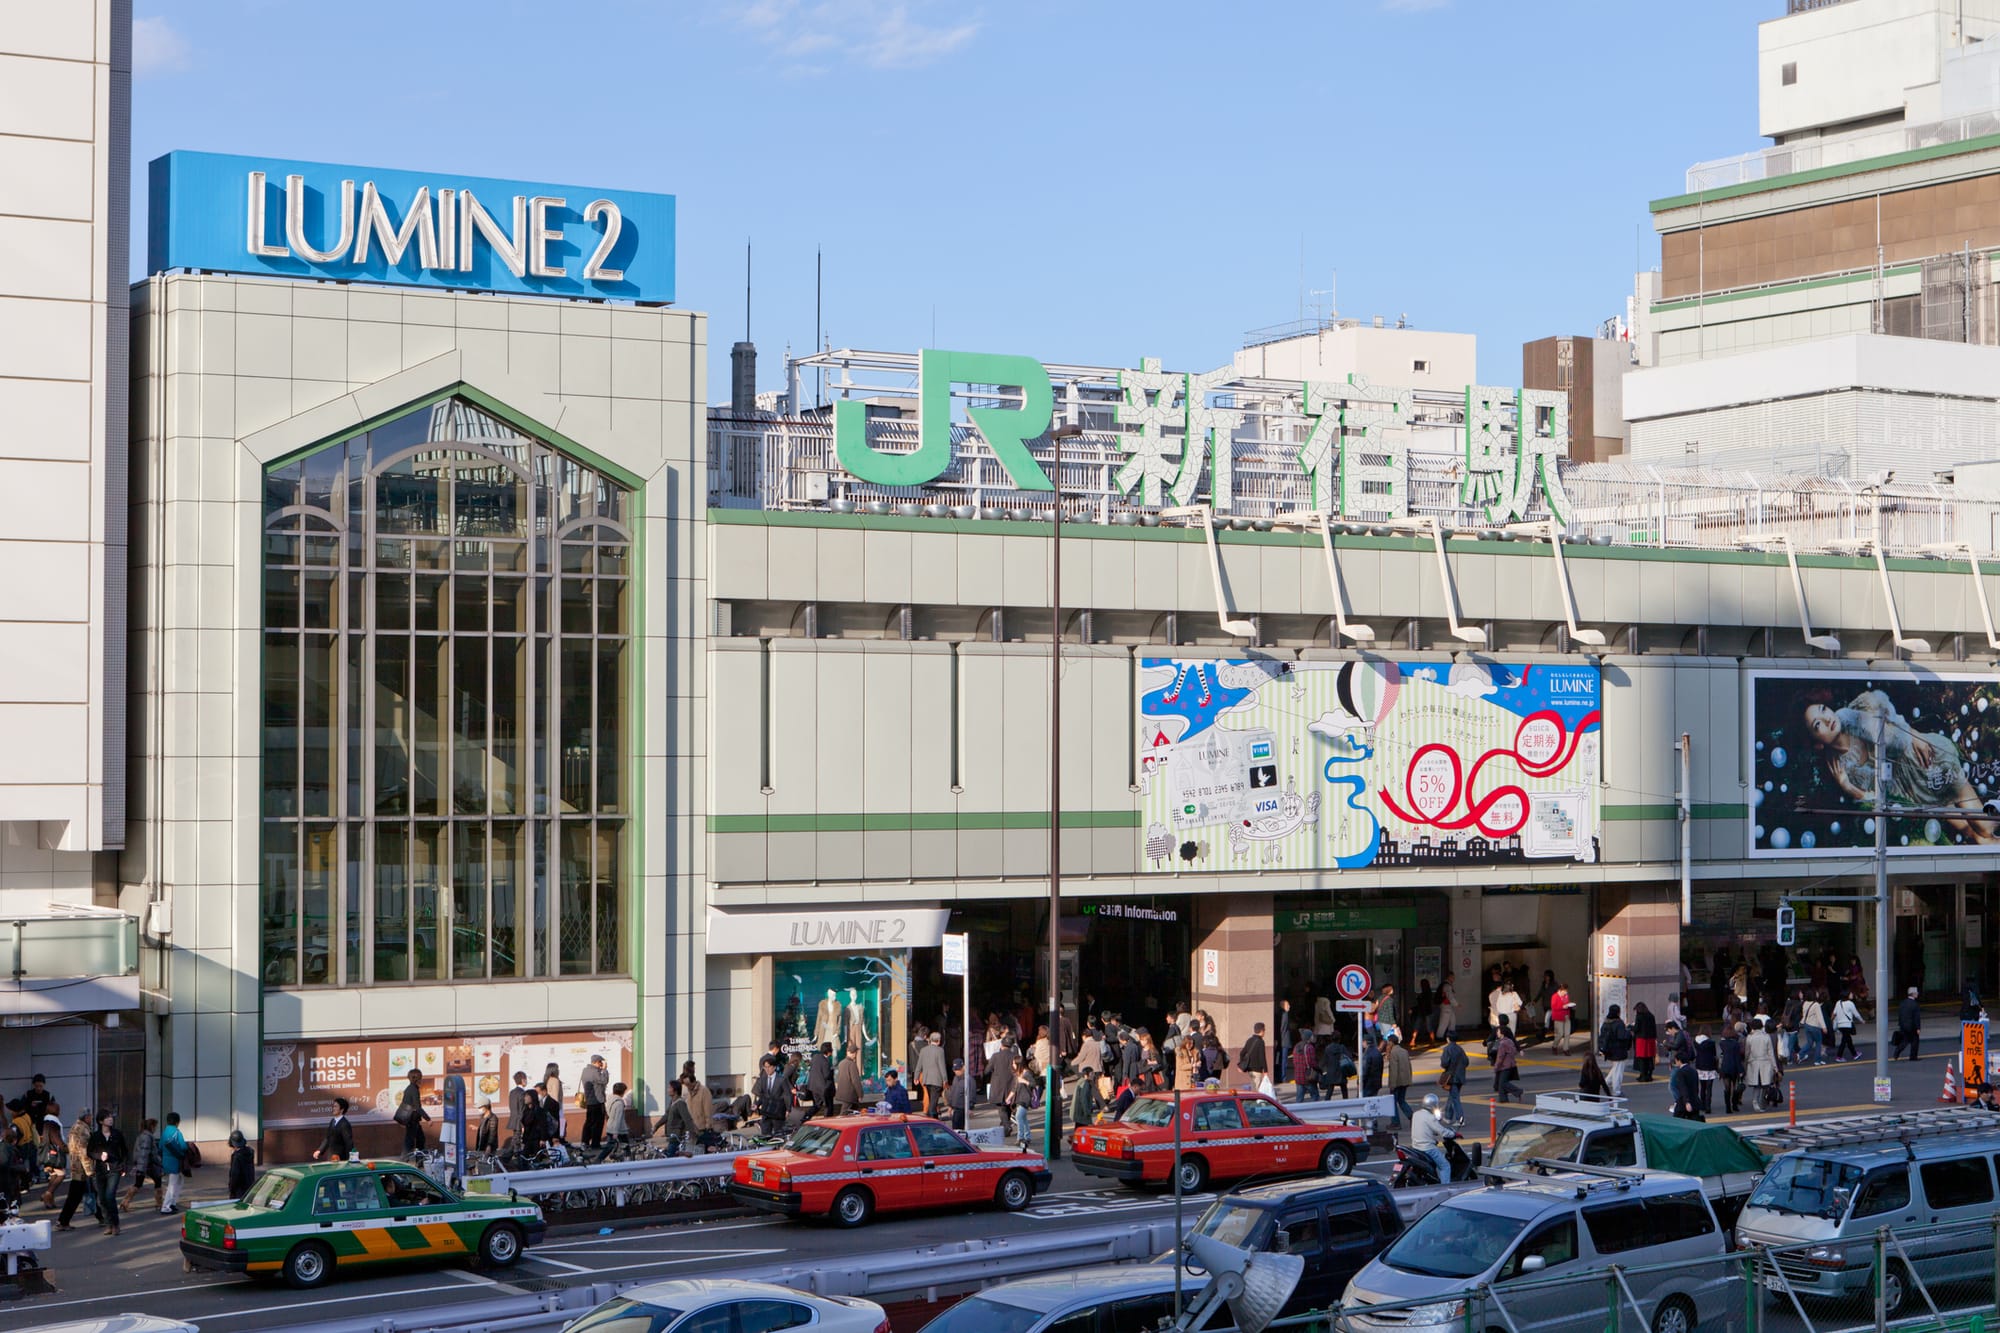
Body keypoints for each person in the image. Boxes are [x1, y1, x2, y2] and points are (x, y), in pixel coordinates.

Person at [1805, 688, 1999, 843]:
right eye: (1817, 725)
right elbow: (1878, 801)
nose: (1826, 718)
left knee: (1986, 828)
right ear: (1817, 743)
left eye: (1823, 709)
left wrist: (1914, 735)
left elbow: (1891, 716)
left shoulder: (1853, 713)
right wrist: (1847, 787)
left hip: (1923, 760)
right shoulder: (1842, 769)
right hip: (1914, 792)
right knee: (1973, 835)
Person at [56, 1109, 96, 1230]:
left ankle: (63, 1221)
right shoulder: (83, 1130)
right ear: (86, 1117)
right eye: (90, 1116)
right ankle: (63, 1221)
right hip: (82, 1168)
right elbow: (83, 1150)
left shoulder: (75, 1127)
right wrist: (89, 1169)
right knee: (78, 1195)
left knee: (78, 1195)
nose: (91, 1119)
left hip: (75, 1166)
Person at [87, 1110, 125, 1233]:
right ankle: (108, 1224)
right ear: (101, 1121)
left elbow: (124, 1151)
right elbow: (89, 1152)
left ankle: (115, 1224)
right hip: (100, 1170)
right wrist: (99, 1156)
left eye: (111, 1117)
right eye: (107, 1118)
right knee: (102, 1199)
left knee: (110, 1196)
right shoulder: (95, 1136)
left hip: (114, 1169)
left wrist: (122, 1166)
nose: (110, 1119)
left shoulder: (117, 1134)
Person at [121, 1116, 161, 1211]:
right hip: (147, 1164)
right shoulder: (147, 1137)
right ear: (151, 1126)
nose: (156, 1129)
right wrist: (157, 1162)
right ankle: (159, 1203)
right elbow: (145, 1152)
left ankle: (125, 1202)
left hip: (144, 1164)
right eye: (155, 1127)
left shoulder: (142, 1135)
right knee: (155, 1181)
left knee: (139, 1184)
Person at [1410, 1093, 1453, 1180]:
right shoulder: (1430, 1117)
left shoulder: (1416, 1114)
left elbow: (1424, 1127)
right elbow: (1443, 1132)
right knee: (1445, 1166)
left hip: (1415, 1147)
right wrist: (1454, 1134)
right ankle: (1444, 1187)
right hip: (1427, 1148)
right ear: (1434, 1105)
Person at [1598, 1004, 1633, 1097]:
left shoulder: (1606, 1022)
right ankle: (1616, 1091)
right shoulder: (1619, 1023)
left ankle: (1605, 1083)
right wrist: (1629, 1031)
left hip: (1609, 1050)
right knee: (1618, 1071)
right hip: (1619, 1050)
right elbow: (1622, 1036)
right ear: (1618, 1012)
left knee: (1616, 1068)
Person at [1745, 1018, 1779, 1109]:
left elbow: (1747, 1053)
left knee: (1757, 1085)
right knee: (1765, 1083)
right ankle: (1762, 1101)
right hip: (1765, 1063)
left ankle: (1755, 1101)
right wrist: (1775, 1068)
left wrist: (1745, 1064)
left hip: (1754, 1063)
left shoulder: (1750, 1037)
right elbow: (1771, 1053)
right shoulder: (1766, 1036)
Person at [916, 1030, 950, 1117]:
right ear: (938, 1041)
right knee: (933, 1103)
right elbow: (942, 1066)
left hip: (926, 1079)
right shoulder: (940, 1051)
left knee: (932, 1100)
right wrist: (945, 1079)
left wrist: (916, 1077)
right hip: (936, 1080)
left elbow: (919, 1065)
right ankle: (931, 1118)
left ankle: (934, 1117)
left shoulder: (923, 1050)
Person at [578, 1054, 610, 1148]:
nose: (601, 1064)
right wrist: (604, 1070)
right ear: (596, 1062)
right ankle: (595, 1143)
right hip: (598, 1101)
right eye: (600, 1062)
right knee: (598, 1123)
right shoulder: (595, 1072)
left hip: (589, 1101)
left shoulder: (585, 1070)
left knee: (589, 1122)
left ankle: (585, 1141)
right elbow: (604, 1081)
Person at [1438, 1031, 1468, 1125]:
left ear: (1448, 1038)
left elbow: (1444, 1063)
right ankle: (1448, 1116)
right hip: (1460, 1076)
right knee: (1452, 1097)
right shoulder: (1460, 1049)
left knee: (1455, 1098)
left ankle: (1460, 1119)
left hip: (1452, 1077)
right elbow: (1466, 1062)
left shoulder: (1447, 1049)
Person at [398, 1069, 430, 1153]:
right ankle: (406, 1160)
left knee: (420, 1139)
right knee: (410, 1142)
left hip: (411, 1119)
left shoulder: (409, 1088)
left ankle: (419, 1159)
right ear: (418, 1079)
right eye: (421, 1078)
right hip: (412, 1119)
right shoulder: (414, 1090)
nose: (421, 1080)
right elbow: (418, 1107)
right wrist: (428, 1119)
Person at [1385, 1033, 1414, 1126]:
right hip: (1405, 1080)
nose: (1387, 1044)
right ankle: (1411, 1116)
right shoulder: (1404, 1051)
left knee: (1393, 1102)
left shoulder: (1393, 1053)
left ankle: (1395, 1122)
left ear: (1391, 1042)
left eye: (1388, 1042)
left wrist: (1392, 1084)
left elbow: (1394, 1070)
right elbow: (1409, 1066)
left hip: (1397, 1082)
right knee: (1401, 1100)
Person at [314, 1096, 354, 1161]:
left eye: (336, 1106)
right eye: (333, 1106)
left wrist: (349, 1159)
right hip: (331, 1157)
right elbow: (328, 1138)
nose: (333, 1108)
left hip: (341, 1159)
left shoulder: (344, 1124)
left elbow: (348, 1143)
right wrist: (319, 1150)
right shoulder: (332, 1121)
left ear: (342, 1109)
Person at [1669, 1050, 1703, 1121]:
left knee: (1677, 1121)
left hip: (1683, 1103)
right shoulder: (1693, 1071)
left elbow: (1683, 1088)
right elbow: (1696, 1087)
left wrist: (1687, 1102)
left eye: (1676, 1061)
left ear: (1679, 1061)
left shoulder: (1680, 1072)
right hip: (1695, 1101)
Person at [1492, 1023, 1522, 1103]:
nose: (1497, 1033)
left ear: (1502, 1033)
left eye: (1498, 1031)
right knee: (1502, 1083)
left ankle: (1518, 1091)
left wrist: (1496, 1067)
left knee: (1503, 1083)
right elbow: (1514, 1051)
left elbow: (1500, 1057)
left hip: (1504, 1066)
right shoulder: (1509, 1041)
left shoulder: (1502, 1044)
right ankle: (1503, 1099)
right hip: (1511, 1065)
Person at [1320, 1032, 1354, 1101]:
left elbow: (1324, 1061)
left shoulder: (1328, 1049)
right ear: (1339, 1039)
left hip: (1331, 1072)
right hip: (1341, 1072)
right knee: (1344, 1091)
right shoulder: (1342, 1048)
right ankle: (1346, 1105)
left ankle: (1325, 1105)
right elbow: (1349, 1057)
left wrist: (1321, 1069)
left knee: (1329, 1092)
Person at [1894, 986, 1923, 1061]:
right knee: (1915, 1042)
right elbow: (1916, 1017)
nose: (1917, 994)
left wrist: (1900, 1024)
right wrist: (1918, 1028)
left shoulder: (1903, 1003)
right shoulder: (1915, 1004)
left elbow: (1900, 1014)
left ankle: (1897, 1052)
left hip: (1903, 1025)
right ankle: (1913, 1056)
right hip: (1912, 1026)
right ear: (1913, 994)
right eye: (1916, 993)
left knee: (1905, 1040)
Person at [1693, 1028, 1718, 1114]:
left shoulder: (1695, 1041)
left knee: (1702, 1087)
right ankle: (1708, 1106)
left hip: (1700, 1065)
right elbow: (1714, 1054)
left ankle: (1702, 1105)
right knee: (1709, 1088)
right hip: (1710, 1065)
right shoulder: (1711, 1042)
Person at [1631, 1002, 1658, 1081]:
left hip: (1641, 1040)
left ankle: (1642, 1075)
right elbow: (1654, 1028)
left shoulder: (1639, 1016)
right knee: (1650, 1058)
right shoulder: (1651, 1016)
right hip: (1651, 1039)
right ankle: (1649, 1075)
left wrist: (1630, 1026)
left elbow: (1636, 1028)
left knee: (1642, 1058)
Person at [1832, 991, 1862, 1062]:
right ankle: (1839, 1056)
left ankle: (1854, 1054)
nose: (1852, 995)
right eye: (1851, 994)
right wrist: (1862, 1020)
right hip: (1847, 1025)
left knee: (1848, 1040)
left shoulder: (1838, 1002)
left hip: (1840, 1025)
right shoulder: (1850, 1003)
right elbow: (1856, 1014)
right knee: (1844, 1041)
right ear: (1847, 995)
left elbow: (1834, 1013)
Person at [807, 1042, 835, 1118]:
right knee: (828, 1106)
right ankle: (827, 1121)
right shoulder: (826, 1062)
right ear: (829, 1052)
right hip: (822, 1088)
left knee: (817, 1105)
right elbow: (826, 1075)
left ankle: (806, 1116)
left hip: (813, 1087)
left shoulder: (815, 1057)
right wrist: (832, 1071)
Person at [225, 1128, 254, 1200]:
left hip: (239, 1190)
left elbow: (235, 1175)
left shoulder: (237, 1157)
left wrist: (232, 1190)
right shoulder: (249, 1152)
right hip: (249, 1187)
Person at [1290, 1032, 1319, 1102]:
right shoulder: (1309, 1047)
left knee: (1299, 1098)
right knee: (1315, 1096)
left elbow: (1294, 1061)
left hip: (1298, 1076)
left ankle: (1297, 1112)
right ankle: (1313, 1112)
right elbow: (1312, 1062)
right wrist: (1319, 1069)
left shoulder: (1296, 1046)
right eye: (1312, 1036)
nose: (1313, 1037)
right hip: (1308, 1076)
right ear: (1309, 1037)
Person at [1238, 1022, 1269, 1087]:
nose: (1265, 1032)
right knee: (1256, 1090)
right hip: (1257, 1070)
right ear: (1262, 1031)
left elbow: (1242, 1053)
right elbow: (1262, 1057)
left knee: (1253, 1086)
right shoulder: (1261, 1042)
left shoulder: (1249, 1040)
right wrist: (1265, 1070)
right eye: (1264, 1030)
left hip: (1249, 1069)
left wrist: (1241, 1064)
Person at [834, 1048, 863, 1116]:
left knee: (852, 1112)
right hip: (850, 1094)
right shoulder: (852, 1064)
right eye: (855, 1053)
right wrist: (860, 1094)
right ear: (854, 1053)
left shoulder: (841, 1063)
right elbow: (856, 1081)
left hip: (842, 1092)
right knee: (845, 1112)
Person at [543, 1063, 566, 1141]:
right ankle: (560, 1138)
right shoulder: (555, 1080)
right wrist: (558, 1107)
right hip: (556, 1105)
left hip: (549, 1105)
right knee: (560, 1122)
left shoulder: (547, 1079)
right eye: (557, 1068)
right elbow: (555, 1095)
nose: (558, 1070)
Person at [946, 1057, 970, 1131]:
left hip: (963, 1107)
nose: (957, 1072)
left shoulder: (968, 1079)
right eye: (955, 1070)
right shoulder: (955, 1079)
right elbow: (952, 1092)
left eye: (958, 1069)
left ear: (963, 1068)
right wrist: (950, 1106)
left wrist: (970, 1107)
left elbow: (971, 1094)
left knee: (960, 1129)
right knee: (955, 1128)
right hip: (956, 1108)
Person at [1549, 981, 1573, 1054]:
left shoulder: (1566, 996)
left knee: (1567, 1033)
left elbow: (1567, 1003)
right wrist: (1563, 1006)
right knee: (1560, 1034)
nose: (1566, 992)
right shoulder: (1555, 996)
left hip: (1566, 1016)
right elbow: (1553, 1007)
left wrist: (1569, 1005)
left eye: (1566, 991)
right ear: (1560, 990)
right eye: (1564, 991)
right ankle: (1554, 1046)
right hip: (1558, 1017)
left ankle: (1566, 1049)